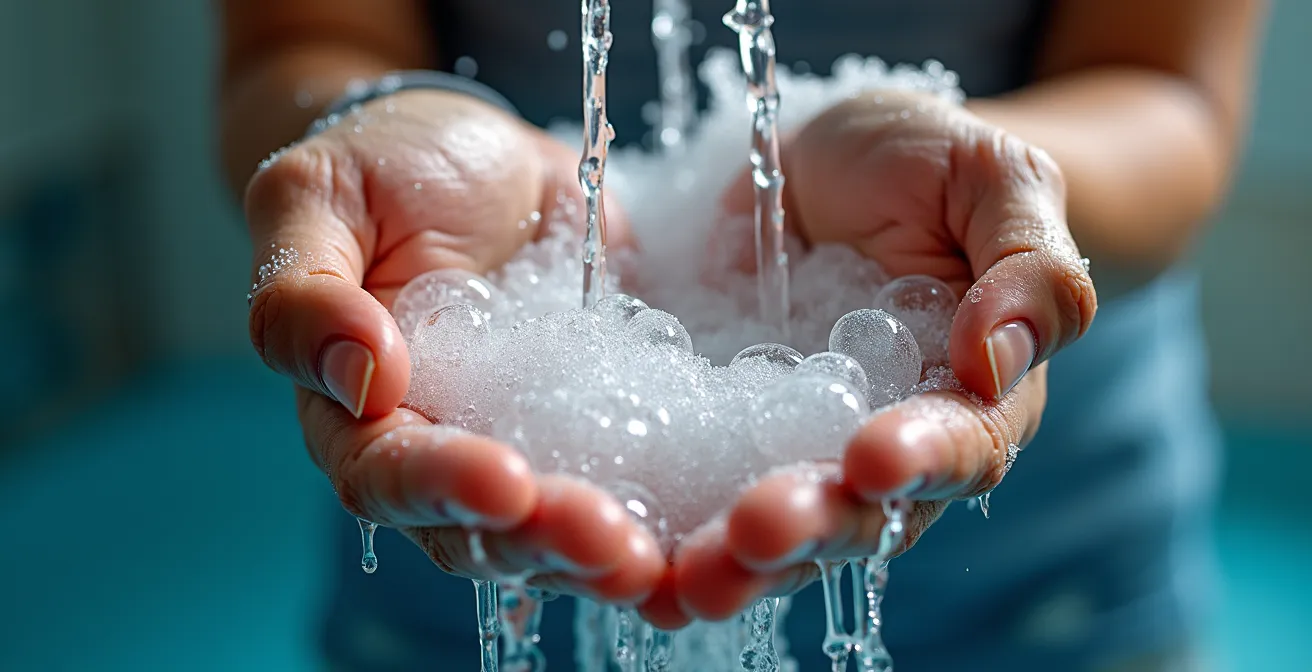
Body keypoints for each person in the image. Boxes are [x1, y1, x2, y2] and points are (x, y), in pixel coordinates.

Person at [219, 0, 1265, 669]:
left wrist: (980, 183)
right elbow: (299, 46)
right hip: (458, 571)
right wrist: (369, 123)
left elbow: (1164, 89)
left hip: (1043, 590)